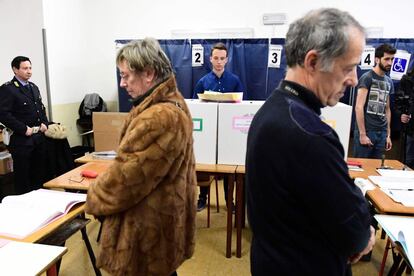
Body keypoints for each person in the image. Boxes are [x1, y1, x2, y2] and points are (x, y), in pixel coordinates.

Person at [246, 8, 375, 275]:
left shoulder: (271, 111)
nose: (352, 79)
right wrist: (366, 233)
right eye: (348, 68)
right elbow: (356, 234)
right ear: (313, 61)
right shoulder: (309, 134)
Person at [85, 38, 197, 276]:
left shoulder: (157, 117)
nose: (122, 83)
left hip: (146, 236)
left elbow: (125, 181)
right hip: (159, 228)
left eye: (126, 76)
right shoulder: (171, 105)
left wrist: (94, 196)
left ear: (148, 73)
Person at [193, 42, 243, 212]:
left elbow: (242, 108)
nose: (219, 61)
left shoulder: (235, 81)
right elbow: (196, 108)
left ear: (227, 59)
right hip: (208, 132)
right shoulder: (202, 82)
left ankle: (230, 201)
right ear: (210, 59)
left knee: (228, 167)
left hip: (228, 133)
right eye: (216, 58)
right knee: (205, 163)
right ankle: (202, 198)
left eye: (222, 58)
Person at [0, 56, 49, 195]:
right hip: (22, 140)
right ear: (15, 70)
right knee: (24, 178)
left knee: (39, 174)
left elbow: (41, 108)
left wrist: (44, 122)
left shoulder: (33, 87)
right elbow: (3, 114)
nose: (29, 71)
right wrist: (23, 129)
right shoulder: (8, 89)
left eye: (30, 68)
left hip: (38, 138)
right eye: (25, 68)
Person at [353, 44, 396, 158]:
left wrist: (388, 135)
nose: (390, 63)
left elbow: (387, 109)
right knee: (361, 170)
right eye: (387, 59)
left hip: (381, 133)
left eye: (392, 59)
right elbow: (359, 107)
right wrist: (362, 134)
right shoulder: (367, 77)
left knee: (377, 170)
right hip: (367, 131)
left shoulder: (389, 82)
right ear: (377, 59)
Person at [398, 69, 414, 168]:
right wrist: (401, 113)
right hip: (410, 129)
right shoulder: (407, 79)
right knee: (408, 162)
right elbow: (399, 100)